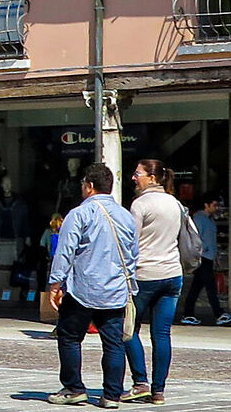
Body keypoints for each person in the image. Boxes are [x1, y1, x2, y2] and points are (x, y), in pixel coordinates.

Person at [48, 162, 139, 408]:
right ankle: (111, 394)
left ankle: (74, 388)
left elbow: (65, 252)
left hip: (83, 289)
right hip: (115, 290)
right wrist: (129, 284)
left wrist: (55, 283)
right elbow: (132, 255)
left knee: (69, 336)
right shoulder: (125, 215)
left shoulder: (79, 214)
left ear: (89, 186)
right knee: (114, 343)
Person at [121, 159, 185, 405]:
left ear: (153, 178)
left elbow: (130, 242)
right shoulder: (175, 203)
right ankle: (158, 391)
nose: (134, 178)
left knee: (127, 329)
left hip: (145, 275)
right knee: (162, 334)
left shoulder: (140, 204)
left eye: (138, 174)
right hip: (172, 274)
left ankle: (140, 382)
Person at [177, 195, 224, 325]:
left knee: (197, 287)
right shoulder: (199, 219)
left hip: (209, 256)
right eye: (214, 205)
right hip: (202, 257)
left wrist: (216, 256)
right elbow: (196, 239)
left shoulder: (210, 219)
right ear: (206, 205)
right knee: (210, 287)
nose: (217, 208)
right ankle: (218, 313)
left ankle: (188, 313)